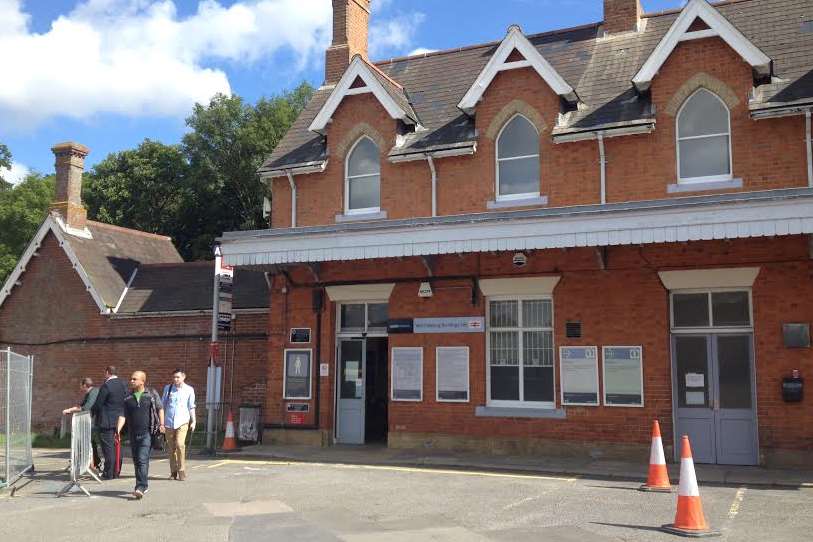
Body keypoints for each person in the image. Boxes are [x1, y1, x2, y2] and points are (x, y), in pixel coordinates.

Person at [117, 371, 164, 499]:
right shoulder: (127, 397)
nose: (131, 381)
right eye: (131, 379)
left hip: (148, 433)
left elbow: (160, 408)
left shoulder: (151, 394)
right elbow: (122, 415)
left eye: (134, 379)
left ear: (142, 381)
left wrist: (162, 424)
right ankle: (144, 485)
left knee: (142, 459)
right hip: (133, 434)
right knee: (138, 461)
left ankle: (140, 487)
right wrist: (118, 430)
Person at [92, 366, 127, 480]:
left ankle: (109, 473)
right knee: (117, 445)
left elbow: (98, 404)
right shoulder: (123, 384)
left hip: (106, 421)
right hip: (119, 420)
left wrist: (92, 413)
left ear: (107, 372)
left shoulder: (106, 385)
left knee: (108, 448)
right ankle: (117, 471)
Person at [161, 368, 196, 481]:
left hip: (183, 421)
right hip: (169, 422)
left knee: (180, 444)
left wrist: (193, 420)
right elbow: (163, 405)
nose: (175, 379)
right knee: (171, 448)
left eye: (178, 377)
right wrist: (161, 422)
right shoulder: (168, 388)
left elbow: (191, 406)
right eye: (174, 377)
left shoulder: (189, 390)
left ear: (183, 377)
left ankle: (181, 470)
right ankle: (173, 471)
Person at [62, 377, 101, 469]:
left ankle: (94, 463)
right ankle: (93, 462)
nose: (80, 387)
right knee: (89, 441)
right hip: (90, 420)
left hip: (93, 420)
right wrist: (72, 409)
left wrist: (70, 410)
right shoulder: (89, 393)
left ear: (84, 385)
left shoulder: (93, 393)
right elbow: (81, 405)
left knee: (88, 441)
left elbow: (86, 408)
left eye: (81, 385)